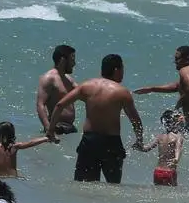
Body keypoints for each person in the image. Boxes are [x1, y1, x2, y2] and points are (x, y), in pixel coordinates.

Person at [51, 53, 149, 183]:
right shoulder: (122, 92)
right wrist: (139, 140)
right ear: (116, 70)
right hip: (111, 144)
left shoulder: (86, 86)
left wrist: (50, 131)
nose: (123, 73)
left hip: (89, 142)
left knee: (84, 186)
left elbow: (59, 105)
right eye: (122, 69)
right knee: (113, 187)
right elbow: (135, 121)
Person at [134, 45, 189, 138]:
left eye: (177, 59)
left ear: (187, 58)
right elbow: (178, 86)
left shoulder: (184, 70)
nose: (175, 62)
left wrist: (180, 102)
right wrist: (152, 89)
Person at [35, 44, 78, 136]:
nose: (74, 64)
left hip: (69, 128)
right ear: (63, 60)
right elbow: (40, 104)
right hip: (57, 128)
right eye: (72, 60)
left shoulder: (69, 79)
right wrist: (48, 129)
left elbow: (84, 93)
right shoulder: (49, 78)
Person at [152, 109, 185, 187]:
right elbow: (178, 149)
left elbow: (146, 148)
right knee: (172, 193)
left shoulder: (160, 136)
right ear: (175, 122)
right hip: (169, 171)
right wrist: (176, 159)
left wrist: (140, 146)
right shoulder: (178, 136)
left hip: (157, 172)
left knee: (157, 195)